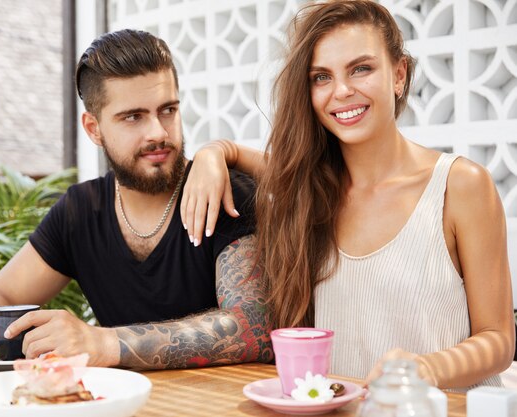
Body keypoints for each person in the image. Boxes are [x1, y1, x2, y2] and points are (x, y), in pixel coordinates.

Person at [181, 0, 514, 390]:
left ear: (399, 74)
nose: (341, 91)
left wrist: (424, 369)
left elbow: (498, 339)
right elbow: (245, 157)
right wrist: (213, 152)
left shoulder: (461, 186)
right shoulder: (309, 189)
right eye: (321, 77)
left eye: (361, 69)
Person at [0, 29, 273, 370]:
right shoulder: (80, 211)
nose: (158, 132)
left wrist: (104, 342)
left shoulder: (227, 192)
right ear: (94, 129)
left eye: (168, 110)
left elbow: (252, 327)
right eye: (133, 117)